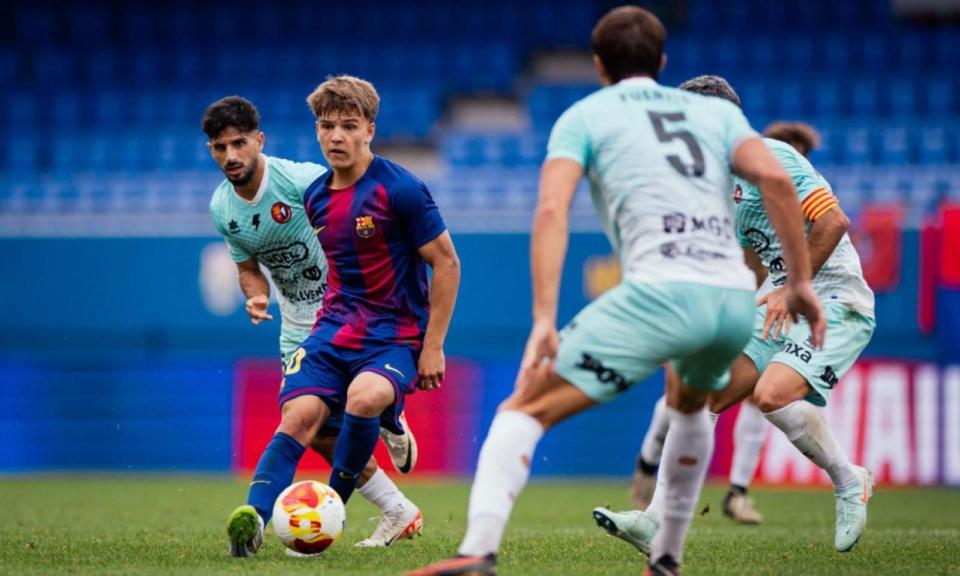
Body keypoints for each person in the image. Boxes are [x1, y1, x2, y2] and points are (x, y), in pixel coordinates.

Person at [407, 8, 823, 576]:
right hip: (732, 299)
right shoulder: (715, 115)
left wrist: (544, 318)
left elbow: (552, 210)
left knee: (522, 408)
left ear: (599, 65)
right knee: (691, 403)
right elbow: (775, 179)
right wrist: (799, 282)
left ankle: (478, 551)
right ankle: (667, 558)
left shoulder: (585, 116)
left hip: (661, 291)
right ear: (663, 62)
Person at [594, 76, 875, 557]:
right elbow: (751, 259)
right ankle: (655, 521)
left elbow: (834, 221)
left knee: (770, 395)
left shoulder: (773, 156)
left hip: (833, 295)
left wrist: (792, 287)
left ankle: (850, 481)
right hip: (776, 298)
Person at [215, 82, 460, 557]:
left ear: (370, 130)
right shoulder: (316, 198)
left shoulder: (401, 189)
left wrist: (433, 346)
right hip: (332, 330)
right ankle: (253, 522)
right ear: (317, 131)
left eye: (349, 126)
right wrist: (260, 291)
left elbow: (447, 263)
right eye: (327, 126)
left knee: (362, 399)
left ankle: (331, 509)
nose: (337, 136)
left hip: (394, 335)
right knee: (299, 417)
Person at [627, 120, 827, 525]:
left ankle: (737, 491)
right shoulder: (737, 199)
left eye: (802, 160)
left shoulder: (799, 207)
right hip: (726, 301)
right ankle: (648, 464)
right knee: (685, 391)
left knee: (756, 392)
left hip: (769, 303)